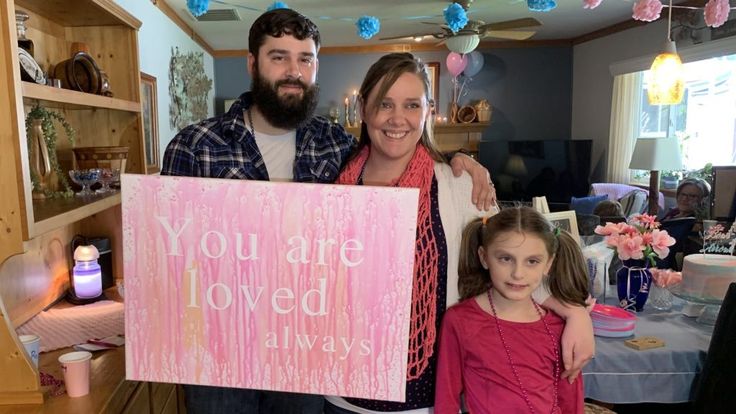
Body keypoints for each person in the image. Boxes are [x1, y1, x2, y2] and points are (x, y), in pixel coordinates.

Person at [161, 8, 494, 414]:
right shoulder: (195, 144)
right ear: (252, 63)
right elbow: (168, 256)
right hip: (220, 353)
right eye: (278, 56)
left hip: (306, 354)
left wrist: (460, 159)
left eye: (305, 59)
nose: (293, 71)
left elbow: (397, 155)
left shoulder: (334, 144)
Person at [323, 53, 594, 414]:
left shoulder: (460, 185)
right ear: (363, 107)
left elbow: (512, 263)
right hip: (342, 387)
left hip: (428, 395)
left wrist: (575, 314)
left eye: (411, 105)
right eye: (384, 104)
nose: (397, 118)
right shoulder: (332, 185)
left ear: (428, 110)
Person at [435, 207, 589, 413]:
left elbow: (571, 401)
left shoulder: (560, 328)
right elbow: (446, 399)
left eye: (532, 261)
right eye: (505, 259)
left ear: (548, 264)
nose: (518, 273)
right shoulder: (460, 321)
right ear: (484, 257)